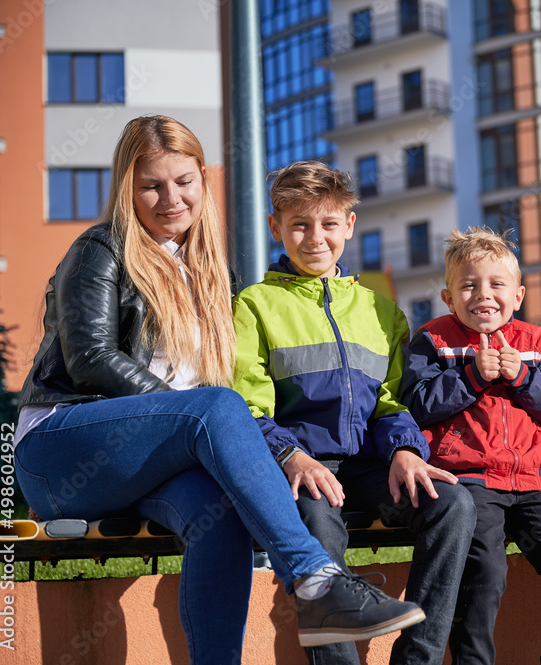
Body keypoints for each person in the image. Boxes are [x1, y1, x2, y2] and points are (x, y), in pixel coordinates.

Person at [11, 116, 423, 664]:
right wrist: (187, 414)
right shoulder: (101, 249)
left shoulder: (213, 275)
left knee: (220, 513)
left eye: (183, 181)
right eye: (150, 185)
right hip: (63, 450)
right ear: (126, 188)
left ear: (203, 180)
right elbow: (90, 360)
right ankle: (319, 582)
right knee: (213, 407)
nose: (169, 198)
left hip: (153, 461)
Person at [231, 161, 475, 665]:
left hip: (369, 467)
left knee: (453, 505)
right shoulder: (253, 306)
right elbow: (245, 406)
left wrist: (406, 450)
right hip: (297, 467)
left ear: (349, 225)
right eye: (299, 224)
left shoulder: (382, 311)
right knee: (318, 526)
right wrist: (291, 458)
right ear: (276, 227)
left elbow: (391, 401)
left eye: (327, 224)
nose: (314, 238)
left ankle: (418, 659)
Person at [400, 227, 541, 665]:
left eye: (496, 284)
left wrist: (522, 376)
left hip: (538, 483)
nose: (482, 294)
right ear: (449, 298)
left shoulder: (537, 342)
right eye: (468, 285)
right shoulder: (433, 340)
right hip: (471, 480)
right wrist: (471, 377)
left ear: (519, 295)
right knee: (484, 578)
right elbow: (416, 404)